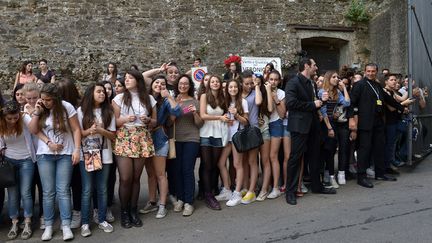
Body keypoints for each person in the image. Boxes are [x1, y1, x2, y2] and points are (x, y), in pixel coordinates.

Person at [28, 83, 81, 241]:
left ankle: (65, 225)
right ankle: (49, 225)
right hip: (45, 154)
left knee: (63, 190)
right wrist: (37, 112)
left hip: (65, 153)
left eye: (48, 100)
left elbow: (76, 129)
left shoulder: (66, 107)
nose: (45, 102)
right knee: (48, 192)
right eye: (42, 99)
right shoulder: (40, 108)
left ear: (56, 99)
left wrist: (77, 150)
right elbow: (33, 130)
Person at [285, 57, 336, 206]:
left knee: (316, 156)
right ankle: (290, 192)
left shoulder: (312, 83)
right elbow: (291, 103)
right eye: (314, 65)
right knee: (295, 159)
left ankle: (317, 187)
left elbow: (315, 104)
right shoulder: (293, 82)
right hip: (299, 126)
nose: (316, 67)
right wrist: (313, 104)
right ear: (306, 66)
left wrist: (322, 101)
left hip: (313, 125)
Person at [348, 63, 406, 188]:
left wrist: (401, 108)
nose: (370, 73)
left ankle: (380, 173)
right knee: (364, 150)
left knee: (379, 148)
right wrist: (352, 120)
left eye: (373, 71)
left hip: (378, 122)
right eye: (368, 71)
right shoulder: (359, 85)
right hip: (365, 123)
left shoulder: (378, 85)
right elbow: (351, 103)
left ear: (376, 72)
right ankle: (361, 177)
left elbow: (388, 100)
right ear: (365, 71)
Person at [112, 69, 156, 228]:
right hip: (125, 136)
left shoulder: (149, 98)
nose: (127, 80)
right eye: (126, 78)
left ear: (138, 80)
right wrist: (124, 119)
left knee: (136, 178)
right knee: (125, 178)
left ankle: (133, 210)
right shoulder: (118, 98)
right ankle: (124, 212)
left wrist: (148, 119)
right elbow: (114, 122)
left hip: (141, 136)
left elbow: (155, 122)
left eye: (130, 78)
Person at [77, 83, 116, 237]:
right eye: (99, 91)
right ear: (90, 93)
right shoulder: (81, 111)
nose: (103, 94)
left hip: (105, 154)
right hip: (86, 154)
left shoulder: (109, 111)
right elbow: (78, 133)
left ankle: (101, 220)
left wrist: (100, 130)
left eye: (104, 92)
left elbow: (113, 136)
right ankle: (85, 223)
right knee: (87, 189)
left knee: (102, 188)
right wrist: (89, 131)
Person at [143, 75, 180, 219]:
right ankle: (152, 201)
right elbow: (143, 76)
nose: (159, 85)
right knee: (150, 173)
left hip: (159, 137)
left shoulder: (164, 100)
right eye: (157, 82)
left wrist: (169, 97)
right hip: (145, 138)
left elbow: (177, 112)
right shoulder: (144, 98)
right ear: (151, 84)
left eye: (163, 83)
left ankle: (162, 204)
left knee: (160, 174)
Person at [1, 100, 36, 240]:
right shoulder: (1, 123)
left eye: (15, 118)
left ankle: (27, 222)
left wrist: (32, 114)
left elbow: (35, 129)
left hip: (26, 159)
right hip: (9, 160)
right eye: (9, 118)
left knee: (26, 192)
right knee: (12, 193)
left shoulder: (24, 118)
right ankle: (14, 222)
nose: (13, 121)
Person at [215, 79, 249, 207]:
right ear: (227, 89)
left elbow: (246, 121)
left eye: (235, 87)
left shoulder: (243, 102)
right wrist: (227, 120)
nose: (233, 89)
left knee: (237, 164)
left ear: (238, 88)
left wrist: (236, 115)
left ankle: (237, 193)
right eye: (230, 87)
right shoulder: (225, 102)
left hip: (237, 137)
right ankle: (227, 190)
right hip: (226, 136)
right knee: (221, 162)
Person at [173, 75, 203, 216]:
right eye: (181, 83)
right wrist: (176, 107)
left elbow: (200, 123)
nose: (183, 86)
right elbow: (169, 122)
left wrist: (194, 113)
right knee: (177, 170)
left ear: (189, 86)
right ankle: (180, 198)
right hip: (176, 138)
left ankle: (188, 202)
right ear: (177, 85)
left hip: (192, 138)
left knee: (187, 169)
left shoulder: (195, 102)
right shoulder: (173, 101)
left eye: (186, 84)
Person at [56, 78, 82, 229]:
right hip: (65, 149)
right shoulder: (56, 109)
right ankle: (71, 212)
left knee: (75, 183)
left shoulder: (75, 109)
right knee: (67, 185)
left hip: (75, 149)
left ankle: (77, 212)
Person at [199, 75, 229, 210]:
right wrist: (220, 117)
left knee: (215, 165)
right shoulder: (204, 96)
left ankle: (211, 190)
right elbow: (203, 115)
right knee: (207, 165)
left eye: (217, 81)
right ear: (208, 84)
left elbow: (227, 115)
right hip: (205, 134)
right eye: (212, 82)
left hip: (219, 134)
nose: (215, 83)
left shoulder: (223, 98)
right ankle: (208, 194)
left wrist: (227, 118)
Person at [319, 71, 351, 188]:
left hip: (334, 123)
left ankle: (329, 175)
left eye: (337, 77)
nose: (337, 78)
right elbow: (323, 111)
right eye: (334, 77)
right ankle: (330, 177)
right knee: (328, 150)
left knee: (331, 150)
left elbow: (347, 103)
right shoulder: (322, 91)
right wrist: (329, 128)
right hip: (326, 124)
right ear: (328, 78)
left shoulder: (337, 92)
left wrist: (344, 89)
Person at [22, 83, 45, 229]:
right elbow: (33, 128)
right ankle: (28, 216)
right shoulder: (23, 111)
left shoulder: (43, 108)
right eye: (29, 98)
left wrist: (35, 111)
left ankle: (43, 215)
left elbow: (42, 126)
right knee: (29, 187)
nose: (31, 101)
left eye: (34, 97)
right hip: (30, 154)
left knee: (43, 187)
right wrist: (32, 113)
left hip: (42, 151)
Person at [267, 70, 290, 199]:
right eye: (271, 79)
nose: (273, 82)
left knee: (273, 156)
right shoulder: (263, 90)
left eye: (276, 80)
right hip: (265, 125)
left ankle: (276, 187)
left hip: (277, 124)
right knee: (266, 158)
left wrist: (276, 99)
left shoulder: (282, 93)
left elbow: (282, 114)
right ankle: (270, 185)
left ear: (279, 81)